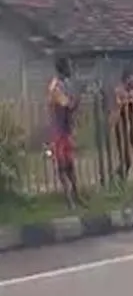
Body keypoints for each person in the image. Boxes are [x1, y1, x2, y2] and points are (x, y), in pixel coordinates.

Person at [47, 56, 83, 207]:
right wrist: (77, 100)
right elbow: (67, 104)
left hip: (66, 130)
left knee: (70, 164)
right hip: (58, 130)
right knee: (62, 165)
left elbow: (71, 106)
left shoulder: (66, 84)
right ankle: (68, 198)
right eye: (68, 66)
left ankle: (76, 195)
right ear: (62, 68)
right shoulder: (55, 86)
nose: (71, 69)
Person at [111, 69, 133, 183]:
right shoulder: (119, 91)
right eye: (132, 78)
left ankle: (120, 176)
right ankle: (117, 175)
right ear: (126, 79)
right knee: (126, 156)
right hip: (121, 125)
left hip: (130, 124)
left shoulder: (132, 92)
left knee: (129, 155)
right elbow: (118, 106)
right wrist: (127, 100)